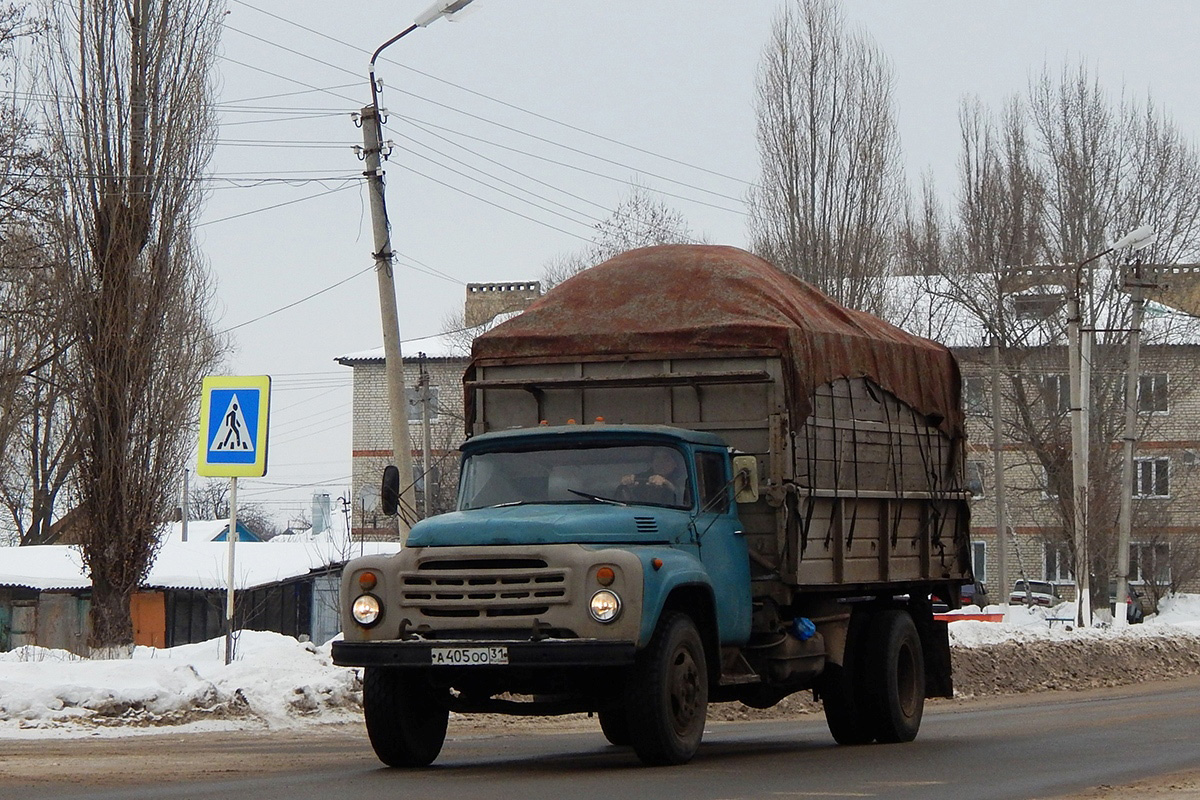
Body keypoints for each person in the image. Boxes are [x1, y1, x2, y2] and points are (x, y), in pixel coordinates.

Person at [618, 449, 687, 505]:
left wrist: (666, 483)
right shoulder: (641, 478)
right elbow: (626, 503)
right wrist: (625, 486)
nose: (660, 462)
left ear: (675, 463)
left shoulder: (683, 480)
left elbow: (682, 499)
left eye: (666, 458)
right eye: (656, 457)